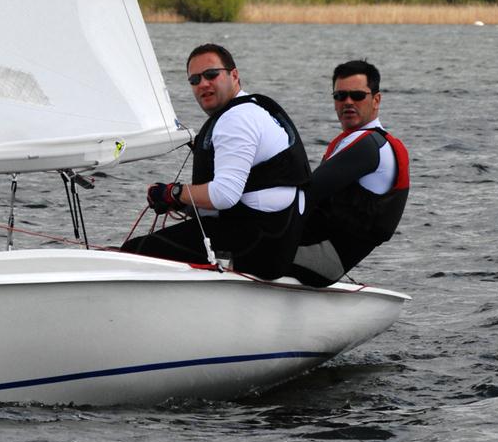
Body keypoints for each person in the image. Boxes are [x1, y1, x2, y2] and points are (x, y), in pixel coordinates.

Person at [121, 43, 309, 279]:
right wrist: (180, 202)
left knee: (132, 253)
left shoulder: (237, 119)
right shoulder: (251, 110)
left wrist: (174, 192)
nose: (203, 84)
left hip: (260, 241)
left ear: (234, 75)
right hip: (271, 237)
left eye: (211, 75)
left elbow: (224, 195)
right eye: (195, 80)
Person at [290, 59, 409, 287]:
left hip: (319, 264)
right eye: (340, 96)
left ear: (376, 100)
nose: (348, 102)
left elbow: (306, 194)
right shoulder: (351, 142)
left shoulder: (370, 147)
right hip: (309, 250)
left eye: (357, 95)